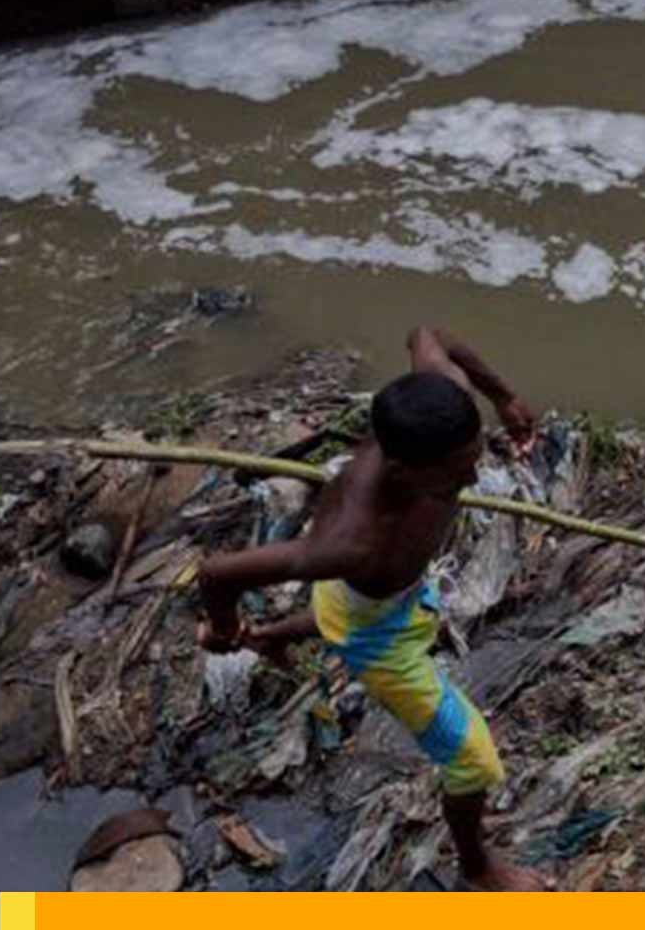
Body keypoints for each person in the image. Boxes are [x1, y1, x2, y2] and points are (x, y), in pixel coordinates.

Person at [197, 326, 545, 891]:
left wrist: (503, 397)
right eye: (456, 476)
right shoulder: (351, 542)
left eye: (472, 459)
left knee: (350, 606)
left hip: (370, 598)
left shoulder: (437, 396)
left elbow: (428, 334)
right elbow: (216, 572)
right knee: (475, 760)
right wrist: (222, 627)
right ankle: (478, 869)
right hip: (378, 636)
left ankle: (275, 635)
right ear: (405, 474)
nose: (474, 478)